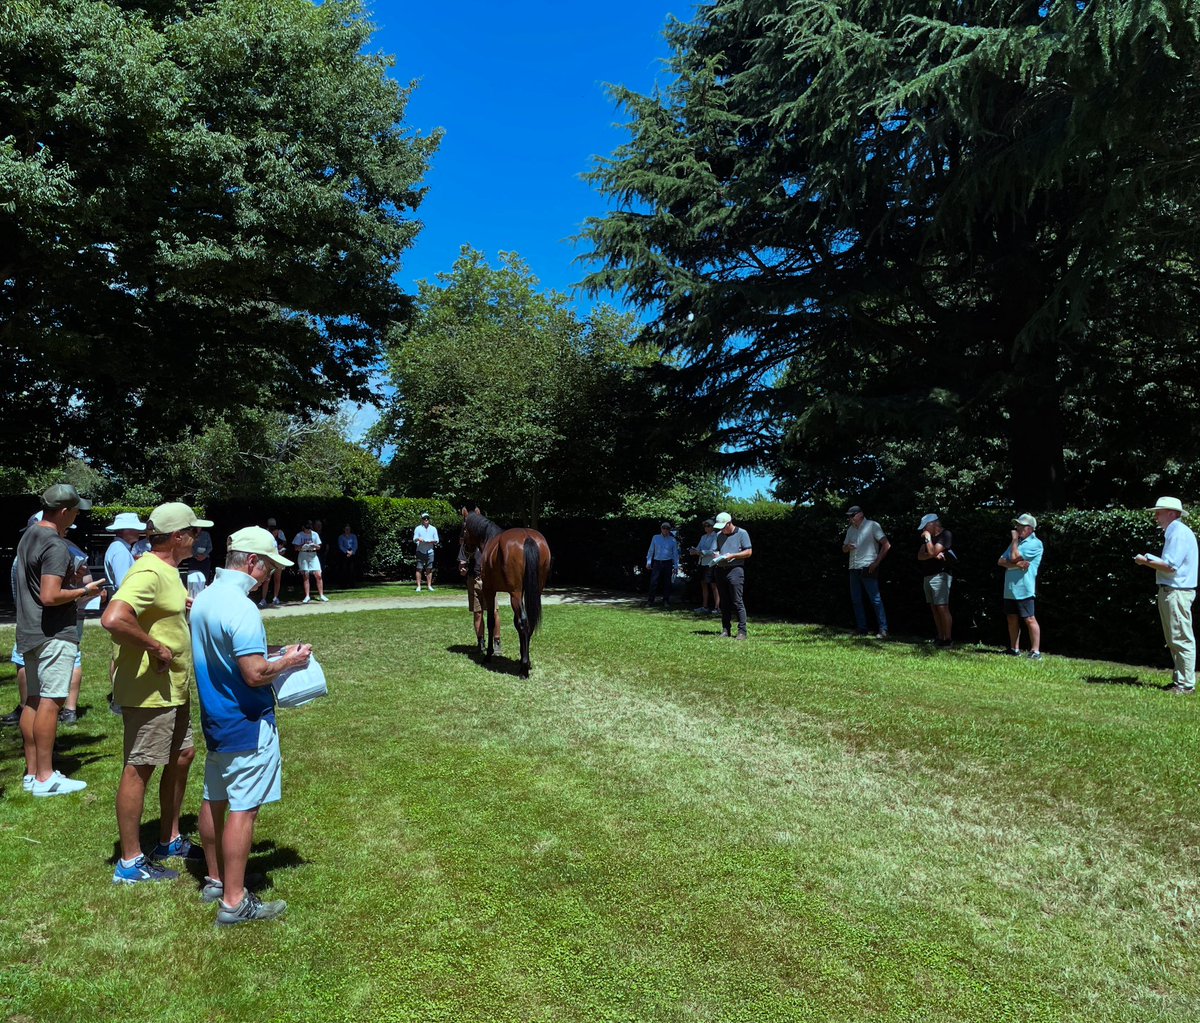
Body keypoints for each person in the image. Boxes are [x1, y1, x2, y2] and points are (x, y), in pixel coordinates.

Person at [192, 526, 311, 924]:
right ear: (252, 562)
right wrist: (290, 661)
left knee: (215, 797)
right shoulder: (242, 607)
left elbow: (228, 656)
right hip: (246, 720)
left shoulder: (206, 597)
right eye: (269, 566)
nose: (270, 576)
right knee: (243, 810)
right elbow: (255, 673)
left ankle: (215, 878)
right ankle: (234, 899)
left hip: (215, 718)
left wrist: (274, 653)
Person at [103, 501, 211, 884]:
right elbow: (113, 618)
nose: (198, 538)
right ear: (179, 537)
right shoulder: (148, 570)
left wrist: (180, 605)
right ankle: (130, 862)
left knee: (182, 755)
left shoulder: (167, 571)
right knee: (141, 766)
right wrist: (155, 646)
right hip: (150, 692)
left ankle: (169, 839)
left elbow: (155, 607)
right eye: (194, 532)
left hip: (171, 689)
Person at [15, 487, 104, 795]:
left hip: (30, 632)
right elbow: (50, 595)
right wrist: (85, 592)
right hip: (53, 633)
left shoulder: (28, 536)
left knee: (34, 701)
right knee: (51, 703)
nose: (78, 515)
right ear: (64, 511)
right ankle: (45, 777)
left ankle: (32, 773)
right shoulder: (55, 544)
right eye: (76, 510)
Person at [1135, 496, 1198, 695]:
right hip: (1173, 591)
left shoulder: (1178, 533)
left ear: (1171, 513)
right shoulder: (1176, 532)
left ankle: (1186, 685)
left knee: (1181, 638)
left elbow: (1170, 566)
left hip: (1176, 592)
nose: (1156, 516)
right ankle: (1180, 682)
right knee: (1175, 639)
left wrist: (1144, 561)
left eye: (1159, 512)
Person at [456, 503, 502, 654]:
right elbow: (462, 563)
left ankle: (497, 641)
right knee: (478, 613)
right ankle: (480, 642)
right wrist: (462, 568)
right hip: (473, 579)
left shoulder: (490, 543)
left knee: (494, 611)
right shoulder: (467, 545)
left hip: (489, 581)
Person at [998, 513, 1044, 659]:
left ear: (1029, 529)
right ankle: (1014, 649)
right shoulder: (1017, 542)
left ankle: (1035, 651)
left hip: (1024, 588)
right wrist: (1017, 565)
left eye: (1020, 526)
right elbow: (1000, 561)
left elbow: (1012, 557)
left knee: (1029, 618)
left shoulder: (1035, 543)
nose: (1017, 528)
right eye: (1017, 525)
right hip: (1010, 588)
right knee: (1011, 617)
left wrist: (1013, 542)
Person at [842, 505, 891, 638]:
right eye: (849, 516)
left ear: (860, 514)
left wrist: (876, 563)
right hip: (853, 567)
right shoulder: (850, 530)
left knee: (875, 599)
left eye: (852, 515)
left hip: (868, 566)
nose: (850, 518)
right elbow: (844, 549)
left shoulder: (873, 526)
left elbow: (886, 545)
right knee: (856, 600)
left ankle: (883, 629)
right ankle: (862, 628)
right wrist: (847, 547)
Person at [712, 511, 752, 639]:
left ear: (729, 523)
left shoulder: (742, 533)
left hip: (735, 570)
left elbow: (748, 551)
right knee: (724, 601)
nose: (722, 530)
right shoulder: (718, 535)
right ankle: (725, 630)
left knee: (737, 601)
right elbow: (715, 550)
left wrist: (733, 555)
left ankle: (742, 631)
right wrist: (717, 555)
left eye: (724, 527)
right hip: (720, 569)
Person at [917, 513, 954, 647]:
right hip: (928, 575)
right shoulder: (929, 539)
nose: (923, 531)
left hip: (941, 575)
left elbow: (931, 551)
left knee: (942, 607)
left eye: (925, 527)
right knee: (934, 607)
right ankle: (940, 636)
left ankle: (947, 639)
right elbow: (920, 556)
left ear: (933, 524)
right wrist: (932, 554)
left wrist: (928, 540)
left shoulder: (946, 535)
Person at [104, 512, 146, 591]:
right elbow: (123, 584)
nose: (138, 532)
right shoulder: (120, 550)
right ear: (125, 531)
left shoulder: (118, 547)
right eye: (135, 529)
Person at [644, 522, 681, 609]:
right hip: (657, 562)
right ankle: (650, 600)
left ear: (669, 530)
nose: (665, 530)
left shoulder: (672, 540)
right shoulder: (655, 537)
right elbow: (651, 550)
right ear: (661, 529)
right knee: (653, 582)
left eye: (667, 528)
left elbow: (675, 554)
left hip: (667, 562)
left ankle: (666, 600)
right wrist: (649, 561)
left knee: (667, 583)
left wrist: (676, 566)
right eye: (664, 528)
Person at [688, 519, 721, 615]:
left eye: (708, 526)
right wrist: (694, 550)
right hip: (702, 563)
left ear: (712, 527)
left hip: (711, 563)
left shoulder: (716, 536)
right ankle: (705, 606)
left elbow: (713, 551)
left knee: (714, 585)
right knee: (703, 584)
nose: (706, 528)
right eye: (705, 526)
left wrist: (701, 552)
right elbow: (698, 548)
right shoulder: (703, 537)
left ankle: (717, 607)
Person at [292, 521, 327, 604]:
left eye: (309, 529)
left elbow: (319, 547)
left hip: (313, 555)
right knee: (306, 575)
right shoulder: (299, 535)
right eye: (307, 529)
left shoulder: (315, 534)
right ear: (303, 528)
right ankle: (307, 596)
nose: (308, 531)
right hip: (303, 555)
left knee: (318, 574)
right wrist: (303, 545)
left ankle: (321, 595)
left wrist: (314, 545)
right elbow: (295, 548)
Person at [260, 518, 288, 608]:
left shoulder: (279, 540)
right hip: (269, 561)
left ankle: (275, 597)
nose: (277, 532)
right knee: (267, 580)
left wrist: (281, 551)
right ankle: (263, 599)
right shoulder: (266, 539)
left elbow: (281, 548)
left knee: (277, 579)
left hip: (278, 561)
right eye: (275, 531)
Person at [413, 512, 439, 592]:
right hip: (420, 551)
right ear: (422, 520)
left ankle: (429, 586)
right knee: (419, 568)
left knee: (429, 569)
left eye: (427, 518)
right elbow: (414, 539)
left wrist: (432, 541)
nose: (426, 520)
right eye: (424, 518)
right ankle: (419, 586)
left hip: (430, 551)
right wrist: (418, 539)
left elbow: (437, 540)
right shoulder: (418, 528)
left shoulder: (433, 528)